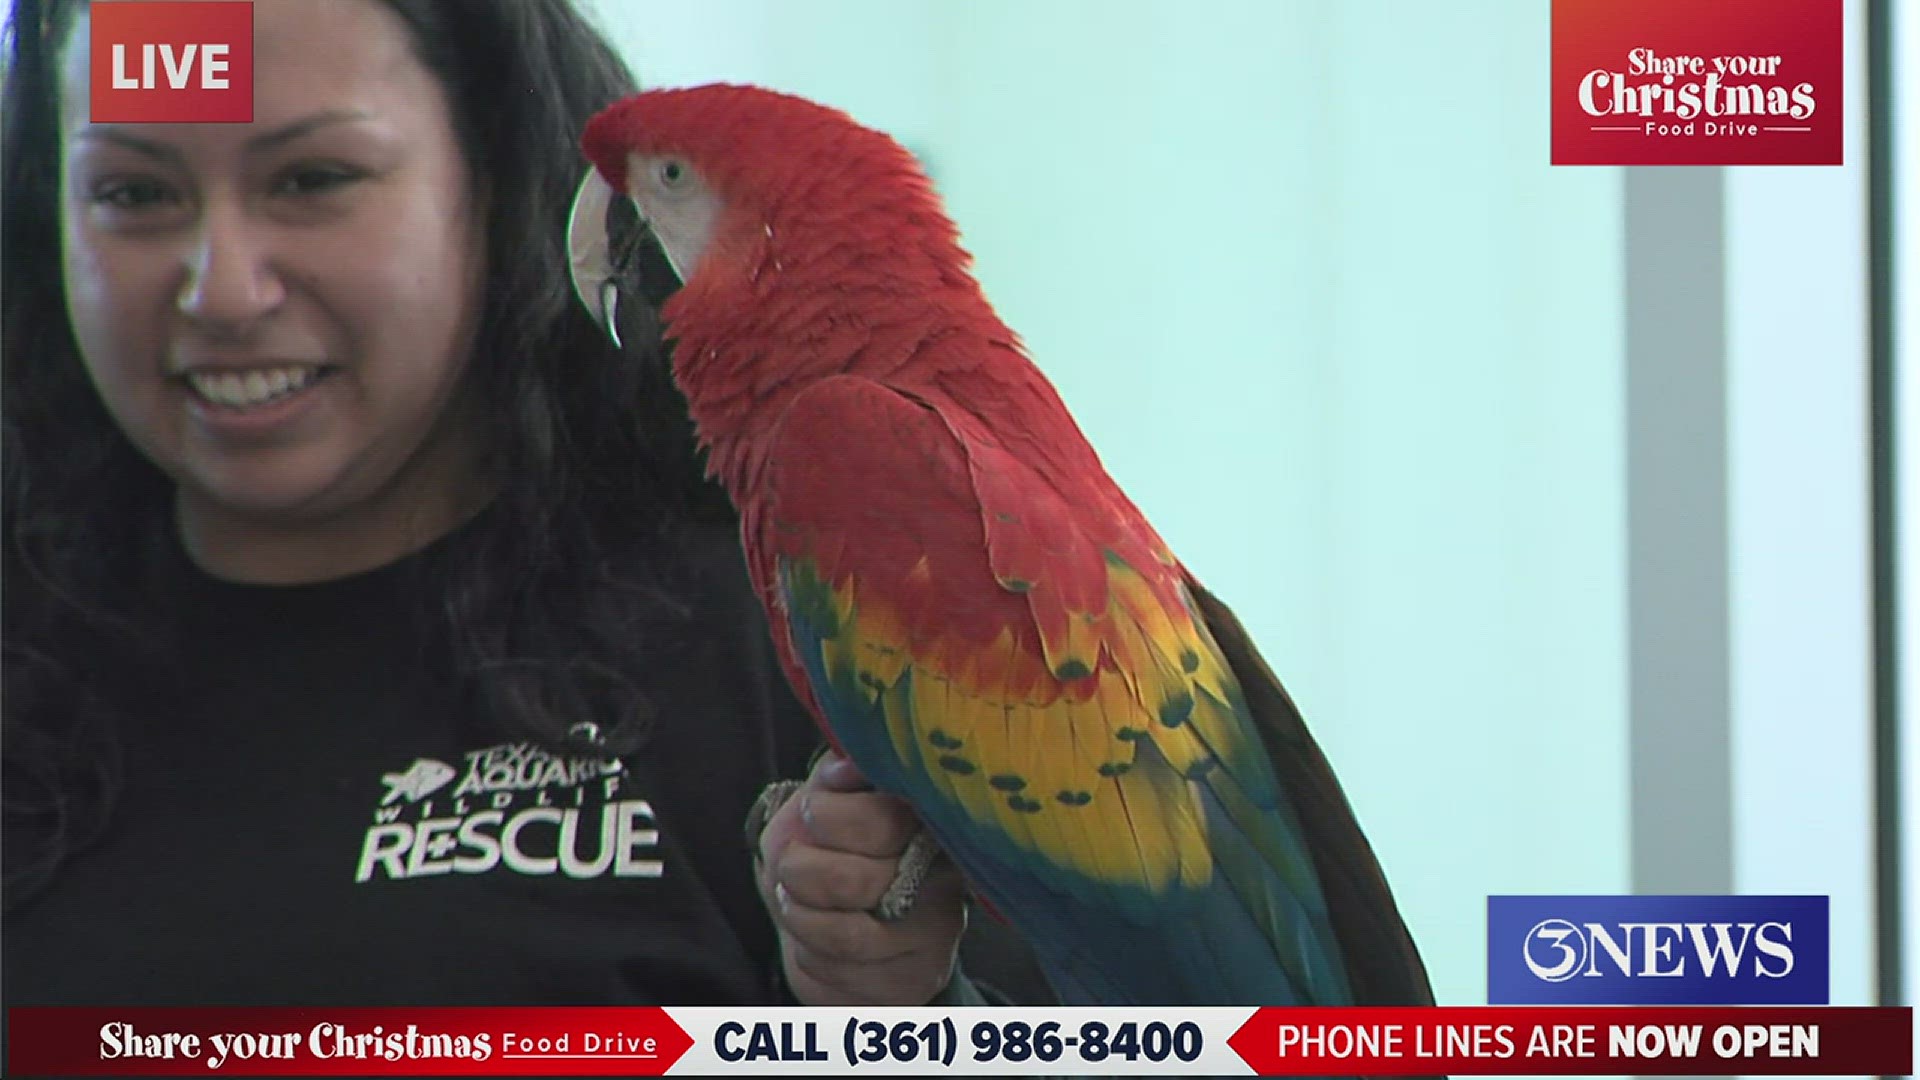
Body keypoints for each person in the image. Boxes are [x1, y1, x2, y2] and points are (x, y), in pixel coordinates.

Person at [2, 0, 1051, 1010]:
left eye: (313, 179)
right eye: (133, 195)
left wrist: (901, 1006)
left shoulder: (802, 624)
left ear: (502, 178)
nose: (221, 292)